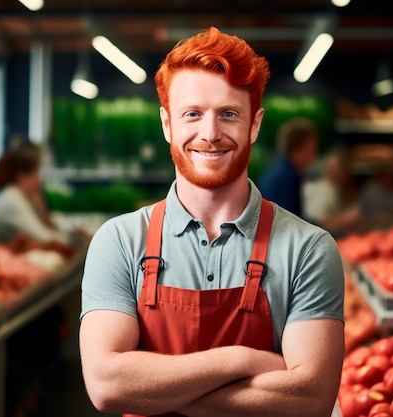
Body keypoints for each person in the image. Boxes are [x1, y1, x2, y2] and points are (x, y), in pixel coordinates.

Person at [79, 27, 344, 417]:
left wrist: (154, 388)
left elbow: (311, 398)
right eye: (192, 114)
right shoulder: (118, 241)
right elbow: (106, 385)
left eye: (229, 114)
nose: (210, 134)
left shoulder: (309, 249)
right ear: (167, 124)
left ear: (254, 124)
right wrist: (240, 361)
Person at [0, 136, 69, 246]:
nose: (40, 180)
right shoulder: (12, 199)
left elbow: (46, 228)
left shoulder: (19, 195)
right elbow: (44, 236)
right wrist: (75, 240)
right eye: (37, 172)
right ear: (21, 176)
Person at [256, 117, 318, 218]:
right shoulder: (287, 177)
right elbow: (290, 222)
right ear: (298, 147)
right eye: (311, 148)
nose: (313, 154)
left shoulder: (281, 169)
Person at [302, 148, 361, 235]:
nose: (344, 173)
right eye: (341, 168)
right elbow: (319, 223)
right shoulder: (323, 190)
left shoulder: (335, 188)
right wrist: (345, 218)